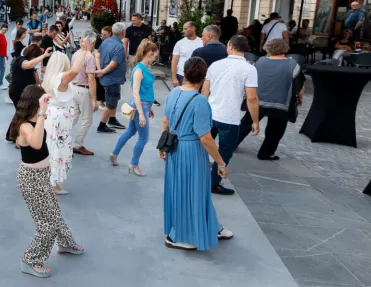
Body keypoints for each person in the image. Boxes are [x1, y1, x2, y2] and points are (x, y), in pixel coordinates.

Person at [160, 57, 234, 251]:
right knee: (193, 190)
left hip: (175, 149)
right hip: (191, 151)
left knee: (183, 190)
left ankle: (211, 225)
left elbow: (165, 122)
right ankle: (176, 235)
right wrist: (221, 163)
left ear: (184, 73)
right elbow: (206, 138)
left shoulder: (173, 92)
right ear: (203, 77)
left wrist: (163, 146)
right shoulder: (200, 101)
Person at [10, 85, 84, 278]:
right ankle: (30, 260)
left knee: (55, 213)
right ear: (35, 103)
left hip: (42, 176)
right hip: (31, 180)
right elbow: (35, 144)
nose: (47, 104)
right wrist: (42, 113)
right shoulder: (26, 125)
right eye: (43, 101)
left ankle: (66, 243)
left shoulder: (37, 120)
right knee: (46, 224)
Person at [202, 35, 260, 195]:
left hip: (210, 113)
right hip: (230, 117)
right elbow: (252, 98)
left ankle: (197, 176)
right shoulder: (249, 69)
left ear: (230, 46)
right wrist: (255, 121)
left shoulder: (215, 65)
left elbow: (205, 91)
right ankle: (213, 183)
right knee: (225, 151)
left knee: (202, 145)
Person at [235, 38, 304, 161]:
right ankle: (265, 153)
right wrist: (299, 98)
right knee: (276, 129)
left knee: (246, 123)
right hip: (281, 103)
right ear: (285, 48)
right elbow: (299, 85)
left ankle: (232, 144)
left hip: (258, 100)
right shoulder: (293, 65)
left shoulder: (260, 61)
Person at [41, 47, 87, 193]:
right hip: (59, 118)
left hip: (52, 116)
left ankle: (48, 179)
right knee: (57, 149)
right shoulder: (61, 77)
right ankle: (53, 183)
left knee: (50, 147)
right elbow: (74, 72)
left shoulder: (50, 77)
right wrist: (84, 51)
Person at [110, 40, 159, 175]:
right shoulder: (139, 70)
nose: (156, 58)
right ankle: (133, 164)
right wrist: (142, 113)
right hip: (140, 106)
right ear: (150, 53)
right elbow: (136, 92)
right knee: (144, 138)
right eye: (155, 55)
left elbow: (145, 90)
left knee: (131, 131)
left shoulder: (143, 68)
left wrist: (149, 107)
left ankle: (114, 153)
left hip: (143, 105)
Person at [95, 22, 127, 134]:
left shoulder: (106, 41)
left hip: (109, 78)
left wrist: (100, 69)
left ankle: (112, 119)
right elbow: (113, 64)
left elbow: (97, 55)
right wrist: (102, 71)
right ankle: (102, 125)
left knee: (114, 98)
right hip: (111, 79)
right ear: (122, 32)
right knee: (111, 102)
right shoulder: (119, 46)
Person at [70, 32, 98, 156]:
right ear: (93, 42)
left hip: (73, 87)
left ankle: (60, 138)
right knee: (87, 119)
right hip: (83, 89)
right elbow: (91, 79)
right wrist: (94, 99)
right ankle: (78, 145)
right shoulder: (90, 57)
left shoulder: (76, 54)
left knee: (73, 116)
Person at [171, 22, 203, 87]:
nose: (183, 31)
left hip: (198, 75)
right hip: (181, 75)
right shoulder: (180, 43)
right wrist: (174, 78)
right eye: (183, 29)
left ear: (193, 28)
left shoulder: (201, 42)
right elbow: (174, 61)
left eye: (185, 29)